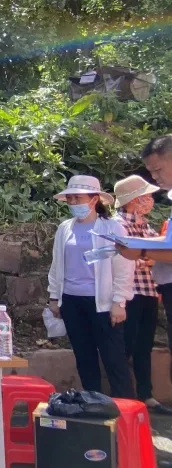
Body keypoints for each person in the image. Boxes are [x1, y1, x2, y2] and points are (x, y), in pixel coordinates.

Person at [47, 175, 135, 399]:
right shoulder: (65, 228)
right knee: (84, 357)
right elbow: (57, 264)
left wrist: (119, 301)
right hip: (71, 300)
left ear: (94, 199)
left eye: (78, 198)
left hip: (102, 303)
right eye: (70, 199)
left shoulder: (112, 227)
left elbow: (124, 266)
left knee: (113, 357)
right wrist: (54, 297)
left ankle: (125, 406)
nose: (73, 203)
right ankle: (92, 403)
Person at [114, 175, 172, 413]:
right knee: (126, 344)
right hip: (130, 293)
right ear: (132, 200)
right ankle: (124, 397)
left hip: (149, 290)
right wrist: (147, 258)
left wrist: (146, 257)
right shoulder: (118, 224)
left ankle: (146, 395)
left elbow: (153, 255)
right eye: (145, 196)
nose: (150, 200)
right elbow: (118, 257)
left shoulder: (145, 225)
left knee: (144, 346)